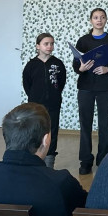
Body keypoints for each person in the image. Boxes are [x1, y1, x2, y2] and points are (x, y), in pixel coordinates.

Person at [73, 7, 108, 175]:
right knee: (85, 124)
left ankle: (103, 160)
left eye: (102, 17)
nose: (99, 20)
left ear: (106, 20)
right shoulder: (83, 41)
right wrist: (80, 68)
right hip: (86, 88)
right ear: (91, 20)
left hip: (106, 88)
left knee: (105, 125)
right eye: (96, 17)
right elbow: (75, 65)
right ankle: (85, 161)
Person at [22, 32, 67, 168]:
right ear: (38, 46)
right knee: (35, 130)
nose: (49, 46)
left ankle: (49, 162)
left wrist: (54, 95)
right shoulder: (31, 65)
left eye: (51, 44)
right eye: (46, 44)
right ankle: (35, 160)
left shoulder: (58, 64)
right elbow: (27, 85)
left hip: (53, 104)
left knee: (52, 131)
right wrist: (35, 97)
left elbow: (61, 82)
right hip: (35, 105)